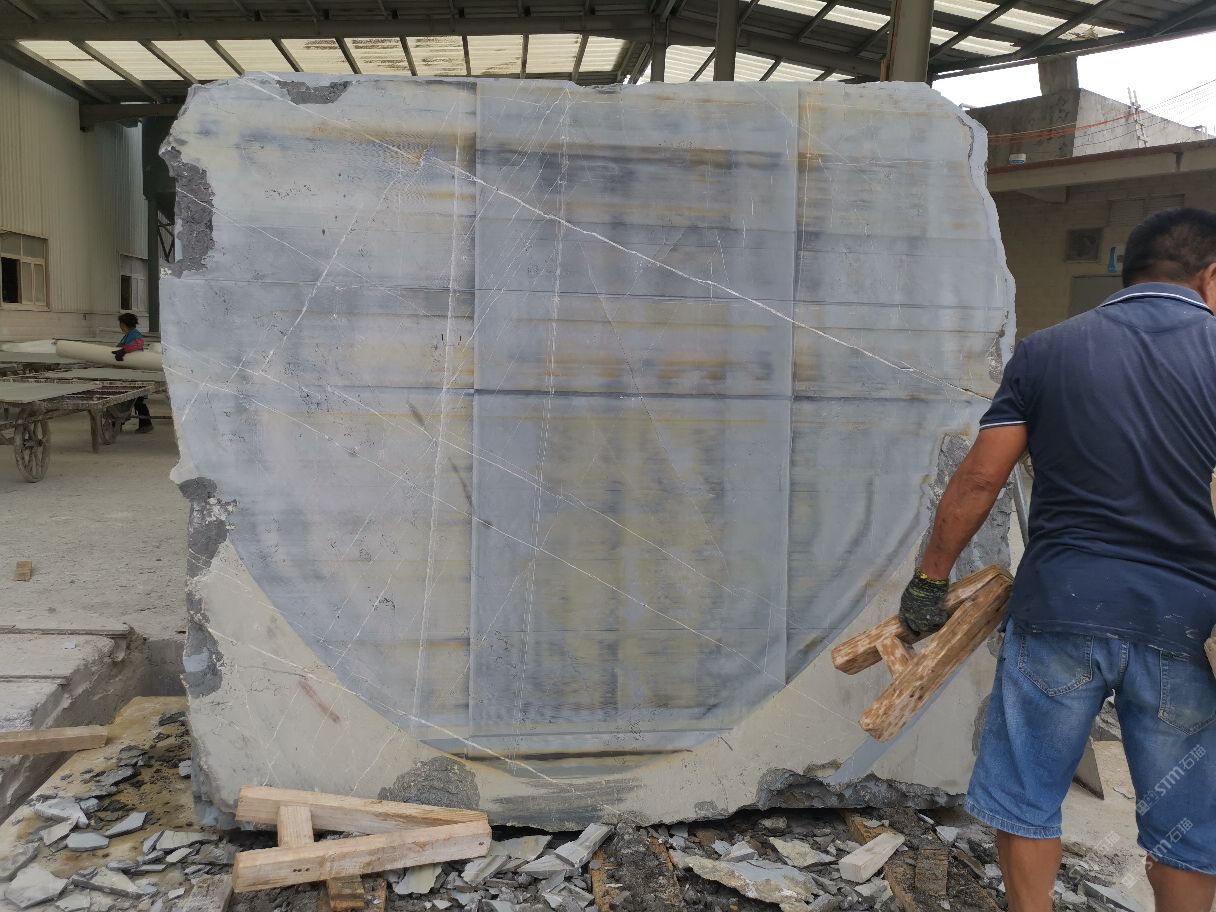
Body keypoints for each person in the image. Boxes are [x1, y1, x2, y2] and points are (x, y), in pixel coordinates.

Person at [898, 208, 1216, 912]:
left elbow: (979, 479)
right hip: (1185, 626)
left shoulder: (1047, 350)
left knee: (1026, 799)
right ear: (1210, 275)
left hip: (1060, 611)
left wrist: (930, 580)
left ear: (1128, 273)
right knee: (1186, 829)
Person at [114, 312, 153, 434]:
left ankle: (145, 424)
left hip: (135, 373)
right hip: (128, 372)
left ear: (124, 324)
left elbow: (138, 343)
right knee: (130, 400)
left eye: (120, 324)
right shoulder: (127, 335)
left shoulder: (134, 334)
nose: (120, 326)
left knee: (137, 400)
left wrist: (123, 351)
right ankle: (119, 424)